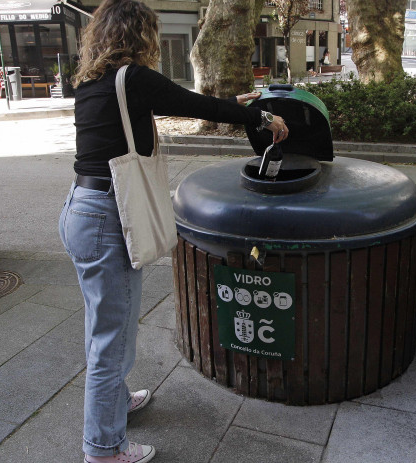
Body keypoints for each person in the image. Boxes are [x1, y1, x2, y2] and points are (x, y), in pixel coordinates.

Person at [58, 1, 288, 462]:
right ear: (140, 33)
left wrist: (233, 104)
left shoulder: (91, 81)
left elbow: (178, 102)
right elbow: (189, 103)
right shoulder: (133, 78)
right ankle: (103, 448)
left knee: (104, 326)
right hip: (108, 217)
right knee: (111, 339)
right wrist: (261, 118)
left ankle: (116, 405)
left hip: (82, 210)